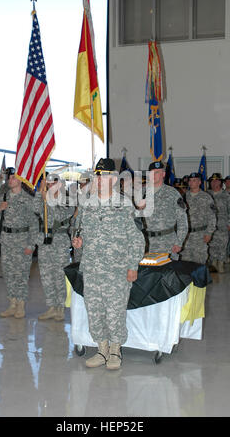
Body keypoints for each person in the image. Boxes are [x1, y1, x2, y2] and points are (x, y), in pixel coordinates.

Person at [72, 158, 145, 371]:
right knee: (94, 311)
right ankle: (101, 348)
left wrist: (133, 265)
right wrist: (77, 241)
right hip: (92, 268)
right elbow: (79, 231)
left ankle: (115, 350)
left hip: (117, 270)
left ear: (113, 179)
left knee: (115, 312)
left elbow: (136, 238)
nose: (100, 180)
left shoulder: (124, 204)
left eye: (104, 176)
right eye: (97, 176)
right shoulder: (86, 204)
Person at [0, 169, 39, 319]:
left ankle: (20, 305)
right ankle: (12, 304)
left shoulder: (28, 200)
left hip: (22, 241)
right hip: (6, 241)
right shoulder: (3, 197)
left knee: (21, 276)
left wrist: (31, 245)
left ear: (20, 180)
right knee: (8, 274)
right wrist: (0, 209)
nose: (10, 180)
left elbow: (34, 224)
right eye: (9, 178)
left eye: (13, 178)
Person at [35, 174, 74, 321]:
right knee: (46, 276)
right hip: (45, 241)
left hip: (60, 241)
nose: (50, 186)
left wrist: (48, 200)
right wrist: (40, 192)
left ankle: (60, 307)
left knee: (59, 276)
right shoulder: (43, 196)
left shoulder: (67, 199)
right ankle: (51, 306)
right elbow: (34, 208)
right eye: (48, 183)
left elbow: (60, 216)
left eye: (53, 183)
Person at [137, 161, 188, 260]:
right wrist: (139, 208)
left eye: (157, 172)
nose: (154, 175)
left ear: (163, 174)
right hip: (146, 242)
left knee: (167, 274)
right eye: (152, 172)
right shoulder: (141, 192)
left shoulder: (173, 193)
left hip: (167, 242)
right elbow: (134, 219)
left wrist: (179, 242)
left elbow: (182, 220)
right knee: (147, 274)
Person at [180, 172, 216, 264]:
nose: (191, 183)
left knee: (199, 262)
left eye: (194, 180)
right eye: (190, 181)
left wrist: (209, 233)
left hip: (200, 235)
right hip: (186, 235)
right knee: (185, 262)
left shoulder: (206, 197)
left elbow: (212, 217)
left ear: (200, 182)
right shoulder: (183, 197)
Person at [208, 173, 230, 273]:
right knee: (212, 245)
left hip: (223, 225)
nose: (214, 182)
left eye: (216, 180)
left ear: (220, 182)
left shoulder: (226, 195)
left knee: (223, 245)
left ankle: (221, 264)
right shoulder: (207, 194)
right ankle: (214, 263)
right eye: (212, 181)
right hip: (211, 226)